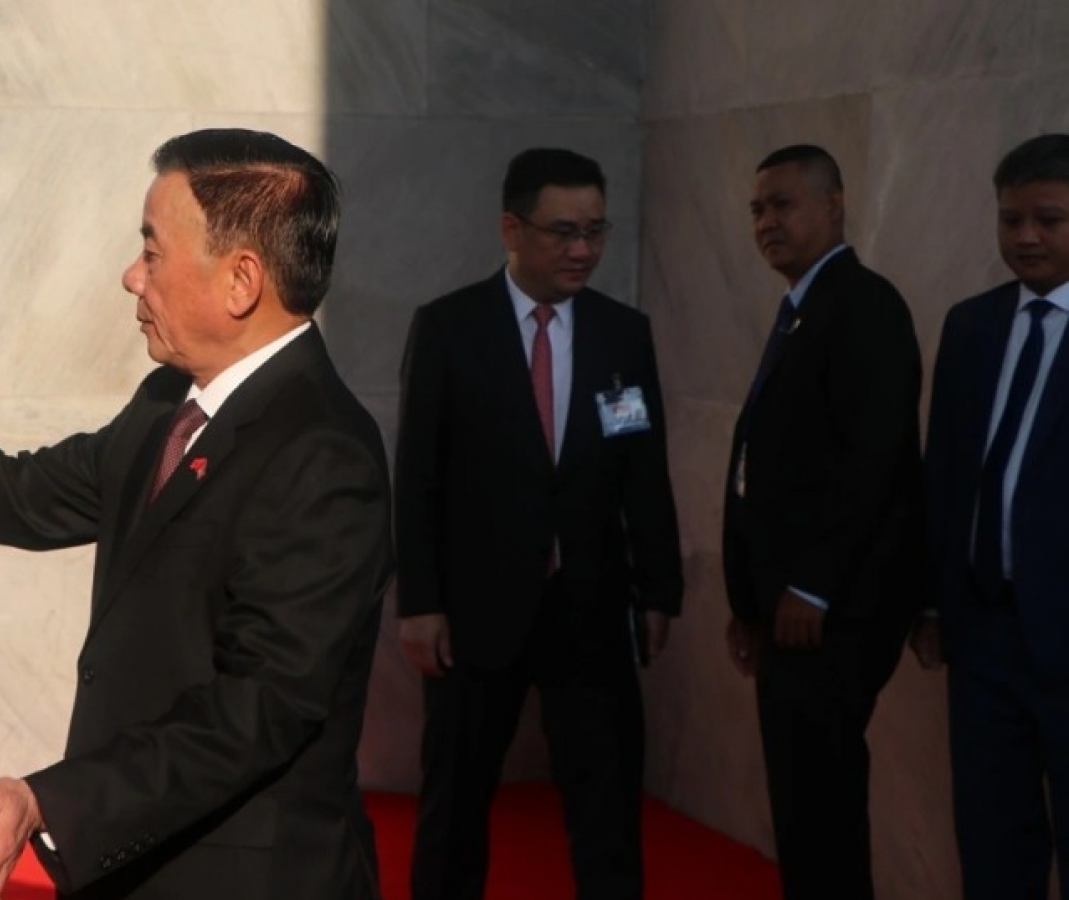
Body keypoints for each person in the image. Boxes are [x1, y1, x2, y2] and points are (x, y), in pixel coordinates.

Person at [0, 129, 394, 900]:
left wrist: (50, 799)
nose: (132, 277)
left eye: (153, 251)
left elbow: (254, 711)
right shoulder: (169, 401)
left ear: (241, 281)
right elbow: (21, 494)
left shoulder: (325, 454)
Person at [395, 148, 683, 900]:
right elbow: (417, 479)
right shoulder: (449, 328)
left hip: (591, 608)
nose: (582, 250)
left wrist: (658, 588)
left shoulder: (625, 333)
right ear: (511, 230)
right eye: (563, 232)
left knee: (607, 808)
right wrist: (419, 604)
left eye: (595, 231)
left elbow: (643, 469)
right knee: (454, 806)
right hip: (473, 613)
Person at [722, 144, 924, 900]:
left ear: (834, 205)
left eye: (783, 204)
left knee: (824, 807)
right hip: (785, 616)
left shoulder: (863, 305)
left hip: (829, 618)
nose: (767, 222)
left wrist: (812, 586)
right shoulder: (804, 307)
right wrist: (749, 602)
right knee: (802, 808)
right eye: (756, 209)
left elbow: (872, 464)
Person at [916, 133, 1069, 899]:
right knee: (992, 841)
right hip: (983, 636)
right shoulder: (972, 325)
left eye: (1048, 218)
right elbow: (943, 474)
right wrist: (934, 600)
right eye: (1011, 219)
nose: (1026, 237)